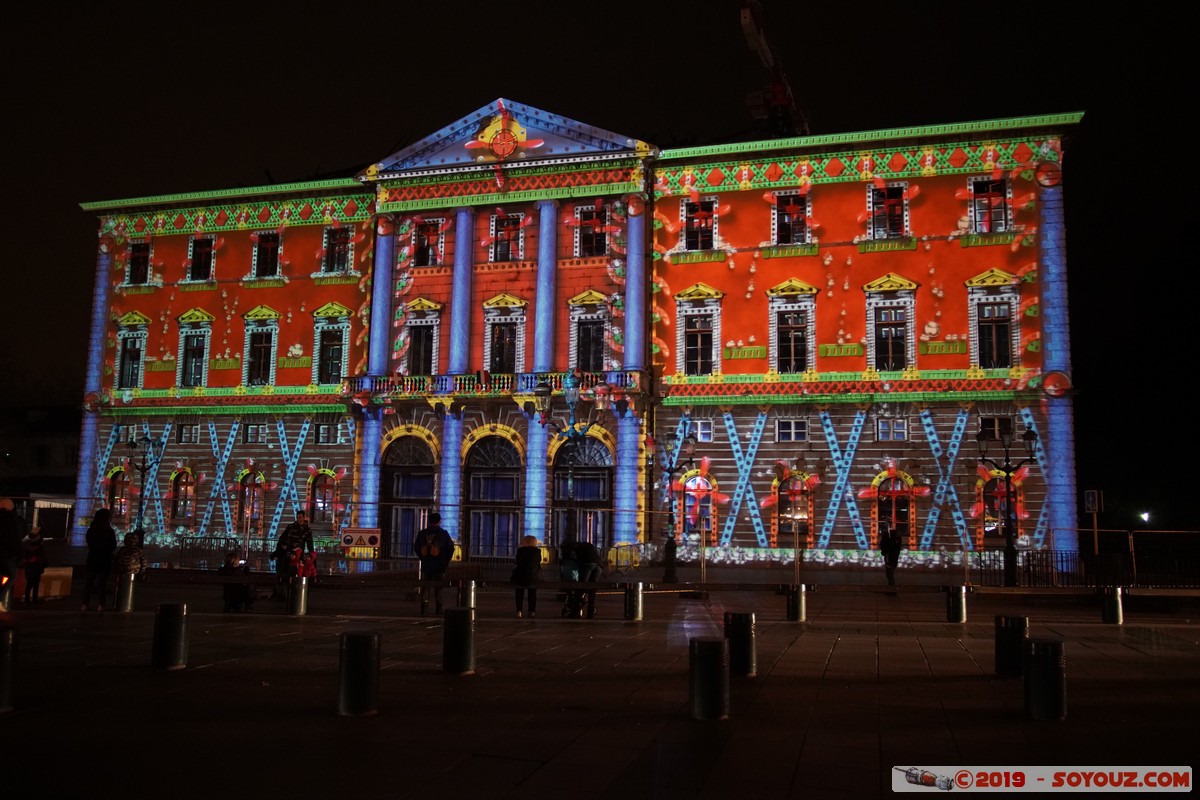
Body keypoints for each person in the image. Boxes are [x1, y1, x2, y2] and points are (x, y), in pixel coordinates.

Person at [413, 512, 454, 616]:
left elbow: (417, 547)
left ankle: (424, 610)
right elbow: (450, 548)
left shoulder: (422, 533)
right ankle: (438, 611)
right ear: (439, 521)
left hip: (426, 565)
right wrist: (445, 561)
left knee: (425, 588)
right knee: (438, 589)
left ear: (429, 521)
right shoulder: (443, 534)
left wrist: (423, 558)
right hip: (440, 566)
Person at [271, 511, 313, 600]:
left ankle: (294, 594)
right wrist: (284, 545)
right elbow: (282, 538)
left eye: (300, 517)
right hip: (289, 553)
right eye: (297, 517)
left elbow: (309, 543)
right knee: (283, 571)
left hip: (299, 554)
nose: (299, 519)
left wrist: (311, 555)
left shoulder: (307, 530)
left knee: (296, 573)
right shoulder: (291, 527)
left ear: (304, 518)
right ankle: (282, 593)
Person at [82, 508, 117, 611]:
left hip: (93, 558)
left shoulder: (91, 530)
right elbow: (113, 545)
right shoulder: (109, 531)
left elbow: (90, 543)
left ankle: (85, 603)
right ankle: (101, 604)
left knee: (89, 582)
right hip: (105, 559)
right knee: (102, 582)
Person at [0, 498, 24, 608]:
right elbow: (13, 540)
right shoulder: (10, 520)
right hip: (5, 555)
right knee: (11, 575)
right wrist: (21, 554)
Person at [512, 535, 542, 618]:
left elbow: (517, 561)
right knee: (532, 593)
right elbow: (539, 561)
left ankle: (519, 611)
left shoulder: (520, 550)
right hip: (532, 576)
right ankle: (531, 611)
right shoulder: (537, 551)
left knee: (519, 593)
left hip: (520, 576)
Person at [575, 538, 605, 619]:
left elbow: (578, 560)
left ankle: (577, 609)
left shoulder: (578, 549)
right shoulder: (589, 547)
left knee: (582, 586)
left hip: (587, 564)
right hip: (598, 565)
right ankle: (590, 611)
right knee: (592, 589)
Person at [22, 526, 49, 605]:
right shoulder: (39, 549)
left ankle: (28, 599)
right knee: (35, 584)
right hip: (36, 567)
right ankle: (34, 599)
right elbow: (42, 558)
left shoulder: (27, 548)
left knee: (29, 584)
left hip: (29, 567)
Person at [558, 537, 581, 617]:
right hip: (574, 576)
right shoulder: (574, 555)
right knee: (576, 590)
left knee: (569, 592)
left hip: (566, 576)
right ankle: (575, 607)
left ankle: (570, 604)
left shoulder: (564, 556)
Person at [881, 524, 903, 589]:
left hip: (890, 560)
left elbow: (885, 546)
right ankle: (891, 589)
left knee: (889, 575)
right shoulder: (897, 542)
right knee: (890, 575)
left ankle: (892, 589)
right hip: (893, 560)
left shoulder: (891, 542)